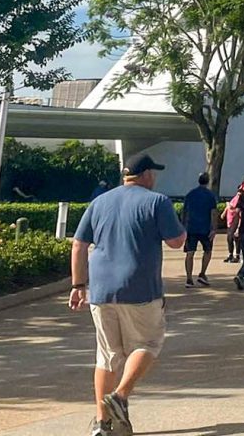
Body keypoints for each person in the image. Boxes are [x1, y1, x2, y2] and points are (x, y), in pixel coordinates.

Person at [69, 153, 186, 436]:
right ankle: (120, 397)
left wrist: (77, 285)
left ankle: (101, 424)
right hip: (140, 288)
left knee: (107, 356)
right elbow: (175, 242)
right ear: (146, 175)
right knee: (147, 343)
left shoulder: (99, 202)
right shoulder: (156, 201)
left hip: (100, 291)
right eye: (153, 173)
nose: (154, 177)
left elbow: (78, 244)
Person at [178, 172, 218, 288]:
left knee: (190, 253)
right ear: (208, 181)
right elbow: (213, 213)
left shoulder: (190, 194)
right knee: (208, 251)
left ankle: (189, 278)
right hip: (205, 228)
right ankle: (202, 273)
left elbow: (184, 212)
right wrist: (214, 228)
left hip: (191, 228)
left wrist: (183, 226)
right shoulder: (210, 196)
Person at [222, 179, 244, 266]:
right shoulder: (235, 198)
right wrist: (224, 213)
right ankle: (230, 254)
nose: (239, 193)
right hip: (230, 222)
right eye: (238, 191)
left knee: (236, 239)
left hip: (236, 222)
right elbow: (229, 207)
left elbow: (239, 212)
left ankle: (237, 256)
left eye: (241, 191)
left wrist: (238, 226)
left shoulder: (241, 201)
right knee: (229, 239)